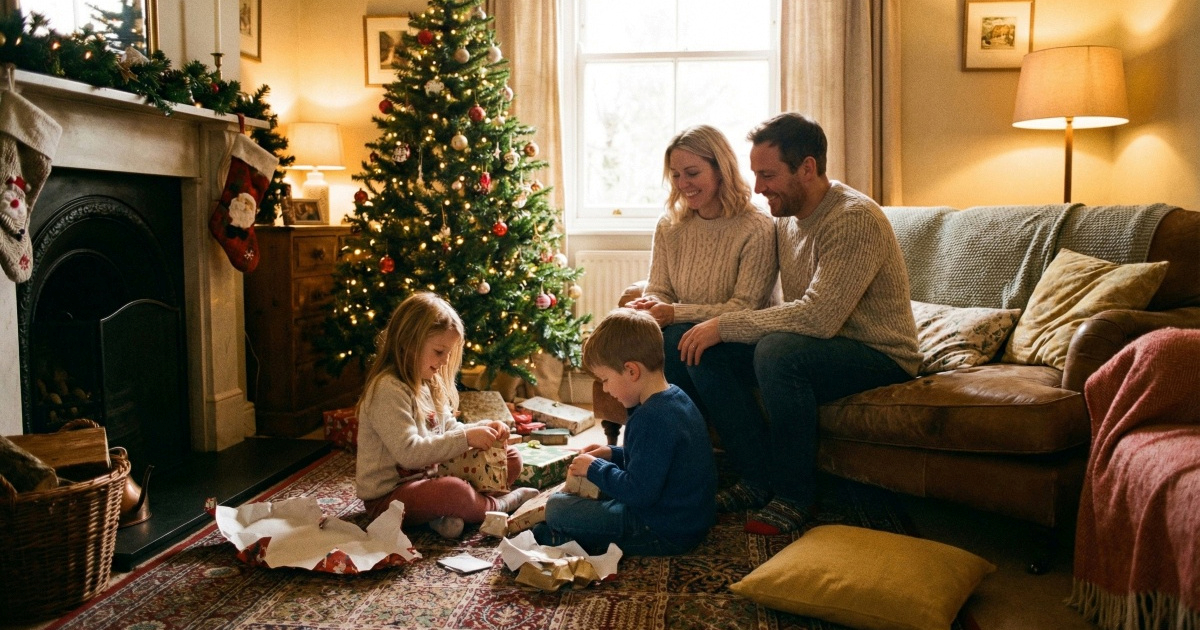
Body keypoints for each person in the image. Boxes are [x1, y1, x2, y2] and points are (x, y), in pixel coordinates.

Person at [678, 113, 922, 535]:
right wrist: (707, 325)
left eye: (768, 175)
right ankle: (755, 479)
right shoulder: (785, 216)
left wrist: (724, 324)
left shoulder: (853, 218)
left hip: (877, 353)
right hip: (817, 346)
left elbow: (818, 316)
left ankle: (794, 496)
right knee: (703, 351)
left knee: (777, 351)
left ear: (807, 168)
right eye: (756, 174)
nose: (758, 188)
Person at [532, 308, 717, 555]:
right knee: (580, 497)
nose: (605, 389)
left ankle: (566, 539)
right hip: (687, 520)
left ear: (631, 371)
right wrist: (611, 453)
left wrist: (595, 468)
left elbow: (638, 492)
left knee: (557, 507)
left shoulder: (650, 418)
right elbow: (654, 460)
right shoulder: (675, 397)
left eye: (605, 379)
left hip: (661, 530)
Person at [355, 292, 538, 538]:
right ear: (408, 343)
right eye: (439, 351)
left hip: (431, 480)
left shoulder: (428, 382)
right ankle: (499, 504)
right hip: (389, 499)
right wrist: (467, 439)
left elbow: (448, 428)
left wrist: (484, 429)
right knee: (453, 491)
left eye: (449, 353)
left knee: (510, 457)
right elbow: (409, 454)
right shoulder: (388, 389)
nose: (445, 361)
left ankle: (445, 515)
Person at [627, 124, 777, 420]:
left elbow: (745, 307)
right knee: (648, 341)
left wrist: (674, 313)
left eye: (692, 173)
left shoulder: (756, 226)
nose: (683, 183)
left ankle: (688, 437)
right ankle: (650, 440)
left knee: (679, 342)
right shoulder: (670, 224)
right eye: (675, 175)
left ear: (721, 170)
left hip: (741, 339)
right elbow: (660, 287)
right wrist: (652, 305)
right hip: (686, 335)